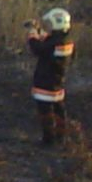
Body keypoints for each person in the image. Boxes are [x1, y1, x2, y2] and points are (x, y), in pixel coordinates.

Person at [26, 8, 74, 146]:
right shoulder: (65, 41)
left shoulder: (55, 43)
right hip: (57, 81)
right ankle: (61, 137)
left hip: (45, 82)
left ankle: (49, 140)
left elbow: (38, 49)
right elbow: (48, 43)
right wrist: (39, 31)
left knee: (46, 111)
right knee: (58, 109)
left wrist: (32, 34)